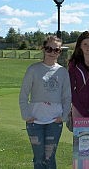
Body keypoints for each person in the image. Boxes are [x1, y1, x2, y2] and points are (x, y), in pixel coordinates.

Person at [19, 35, 71, 169]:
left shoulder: (62, 72)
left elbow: (67, 97)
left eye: (56, 50)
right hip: (35, 122)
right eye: (49, 49)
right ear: (43, 49)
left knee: (50, 158)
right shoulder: (33, 69)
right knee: (39, 158)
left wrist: (64, 116)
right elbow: (24, 94)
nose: (52, 53)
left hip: (54, 122)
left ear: (59, 52)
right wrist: (26, 115)